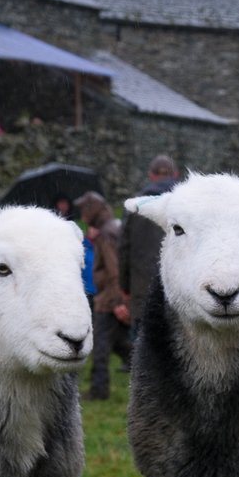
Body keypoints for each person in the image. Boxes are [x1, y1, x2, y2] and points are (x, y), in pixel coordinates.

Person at [76, 191, 132, 399]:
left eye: (84, 210)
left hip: (108, 299)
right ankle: (151, 369)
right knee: (119, 342)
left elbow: (114, 270)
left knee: (99, 346)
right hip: (110, 297)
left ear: (93, 211)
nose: (82, 215)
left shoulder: (106, 235)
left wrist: (118, 301)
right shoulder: (109, 229)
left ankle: (99, 390)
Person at [118, 154, 179, 337]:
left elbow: (123, 250)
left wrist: (125, 287)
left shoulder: (135, 208)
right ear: (175, 175)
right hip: (180, 294)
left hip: (143, 292)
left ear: (150, 175)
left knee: (144, 355)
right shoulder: (188, 206)